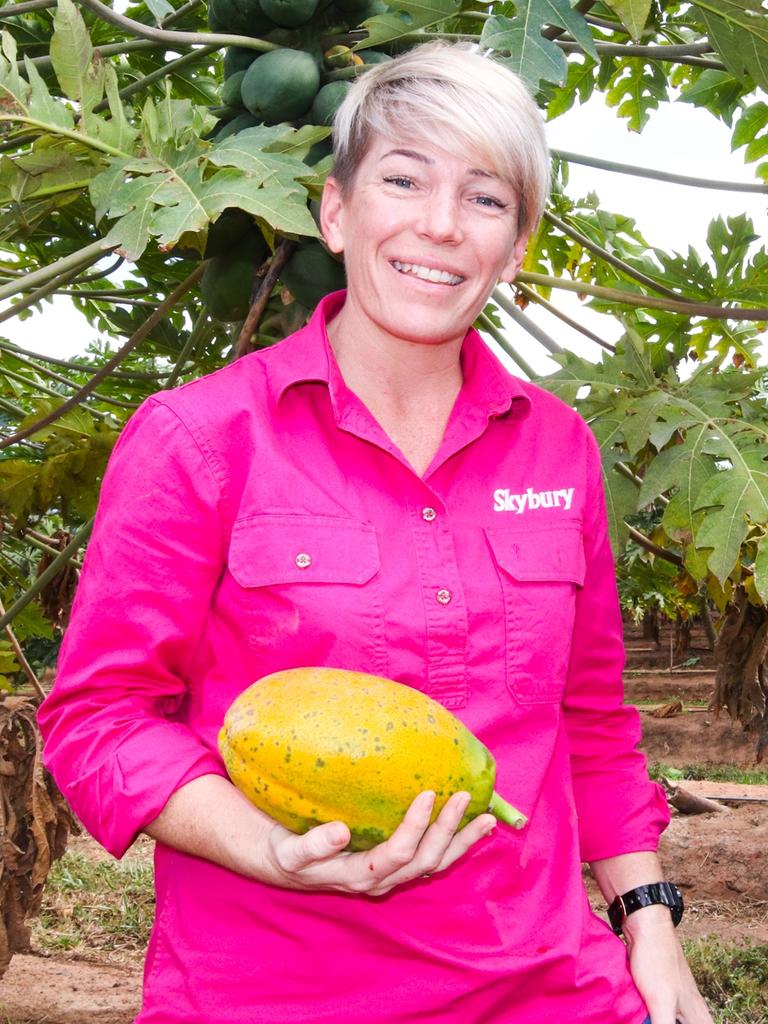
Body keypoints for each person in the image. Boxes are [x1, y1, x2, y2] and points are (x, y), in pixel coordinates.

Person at [38, 42, 712, 1024]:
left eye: (486, 199)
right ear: (337, 211)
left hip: (550, 989)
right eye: (403, 179)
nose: (439, 225)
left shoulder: (558, 448)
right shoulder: (197, 439)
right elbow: (99, 719)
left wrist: (649, 922)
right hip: (272, 995)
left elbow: (590, 726)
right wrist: (262, 843)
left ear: (517, 244)